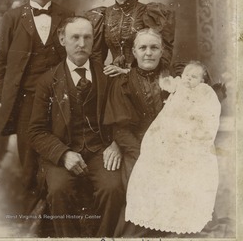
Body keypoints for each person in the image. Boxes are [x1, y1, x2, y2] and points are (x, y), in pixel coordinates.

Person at [28, 16, 124, 238]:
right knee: (59, 191)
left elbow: (122, 119)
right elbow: (36, 131)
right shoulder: (47, 81)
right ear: (62, 39)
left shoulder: (107, 76)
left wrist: (116, 144)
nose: (82, 44)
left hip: (100, 150)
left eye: (87, 37)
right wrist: (63, 154)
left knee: (113, 189)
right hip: (63, 152)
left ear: (93, 41)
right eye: (75, 37)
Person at [0, 0, 74, 195]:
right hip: (26, 103)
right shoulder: (12, 18)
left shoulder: (67, 15)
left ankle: (55, 216)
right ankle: (33, 221)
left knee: (60, 156)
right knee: (29, 162)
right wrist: (10, 98)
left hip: (61, 101)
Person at [125, 61, 221, 235]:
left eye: (194, 77)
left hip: (189, 137)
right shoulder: (179, 86)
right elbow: (165, 85)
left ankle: (181, 222)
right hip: (169, 134)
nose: (188, 79)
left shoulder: (203, 93)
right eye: (186, 75)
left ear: (203, 81)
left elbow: (207, 118)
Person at [104, 28, 168, 237]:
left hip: (169, 148)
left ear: (162, 51)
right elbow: (121, 131)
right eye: (143, 48)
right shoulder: (123, 82)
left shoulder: (172, 80)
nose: (148, 53)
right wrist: (145, 156)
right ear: (134, 52)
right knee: (144, 184)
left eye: (154, 48)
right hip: (136, 149)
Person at [85, 0, 175, 77]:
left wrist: (127, 72)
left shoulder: (149, 13)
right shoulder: (103, 15)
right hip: (113, 79)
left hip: (143, 79)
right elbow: (96, 58)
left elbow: (162, 56)